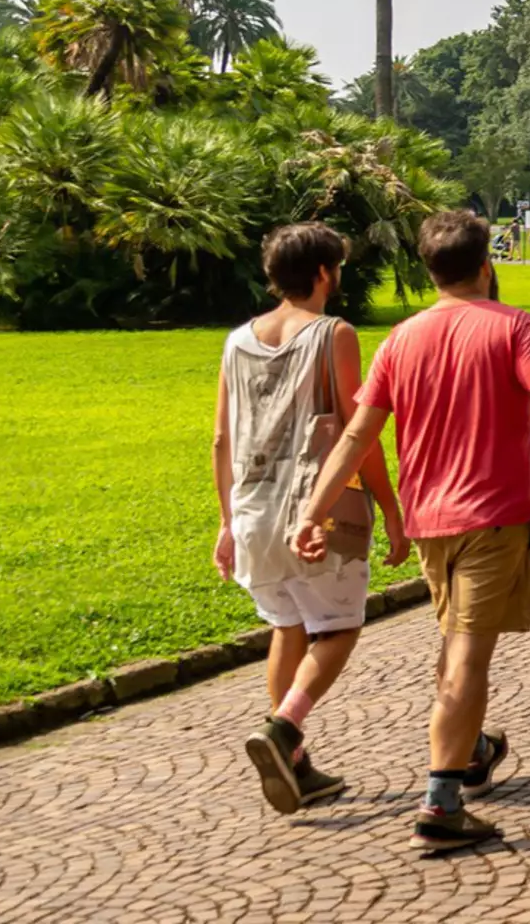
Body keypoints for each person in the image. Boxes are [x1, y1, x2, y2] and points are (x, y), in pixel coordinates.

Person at [292, 211, 530, 855]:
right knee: (468, 656)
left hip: (430, 521)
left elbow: (358, 434)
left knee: (456, 642)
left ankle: (472, 748)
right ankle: (441, 802)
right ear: (486, 264)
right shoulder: (515, 326)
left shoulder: (401, 338)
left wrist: (313, 510)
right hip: (496, 516)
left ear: (430, 270)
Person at [213, 223, 409, 816]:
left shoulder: (235, 341)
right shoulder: (334, 335)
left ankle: (294, 768)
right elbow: (358, 434)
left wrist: (226, 521)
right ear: (324, 273)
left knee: (287, 626)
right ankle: (284, 730)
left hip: (251, 512)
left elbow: (221, 438)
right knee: (339, 628)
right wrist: (392, 509)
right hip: (317, 514)